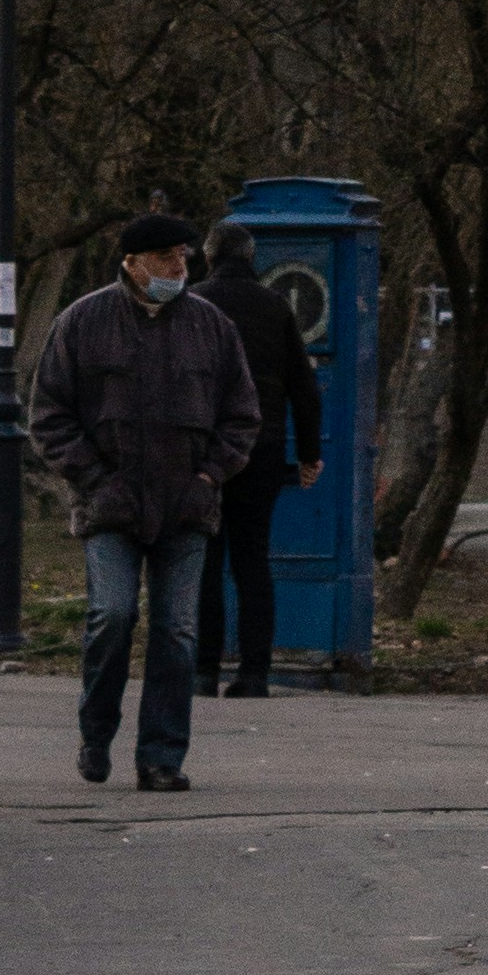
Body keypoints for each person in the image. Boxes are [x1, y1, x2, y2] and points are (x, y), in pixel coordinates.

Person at [27, 207, 258, 792]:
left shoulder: (211, 325)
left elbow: (241, 415)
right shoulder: (82, 321)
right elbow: (50, 415)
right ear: (130, 263)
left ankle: (160, 756)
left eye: (184, 256)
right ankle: (96, 730)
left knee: (178, 631)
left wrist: (209, 478)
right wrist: (95, 480)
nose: (179, 267)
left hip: (186, 504)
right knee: (113, 615)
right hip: (110, 503)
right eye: (165, 258)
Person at [195, 224, 321, 699]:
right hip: (261, 447)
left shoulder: (193, 304)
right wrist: (309, 454)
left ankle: (202, 669)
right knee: (253, 560)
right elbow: (304, 390)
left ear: (208, 257)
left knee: (204, 559)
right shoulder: (276, 306)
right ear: (252, 258)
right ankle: (254, 673)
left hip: (203, 451)